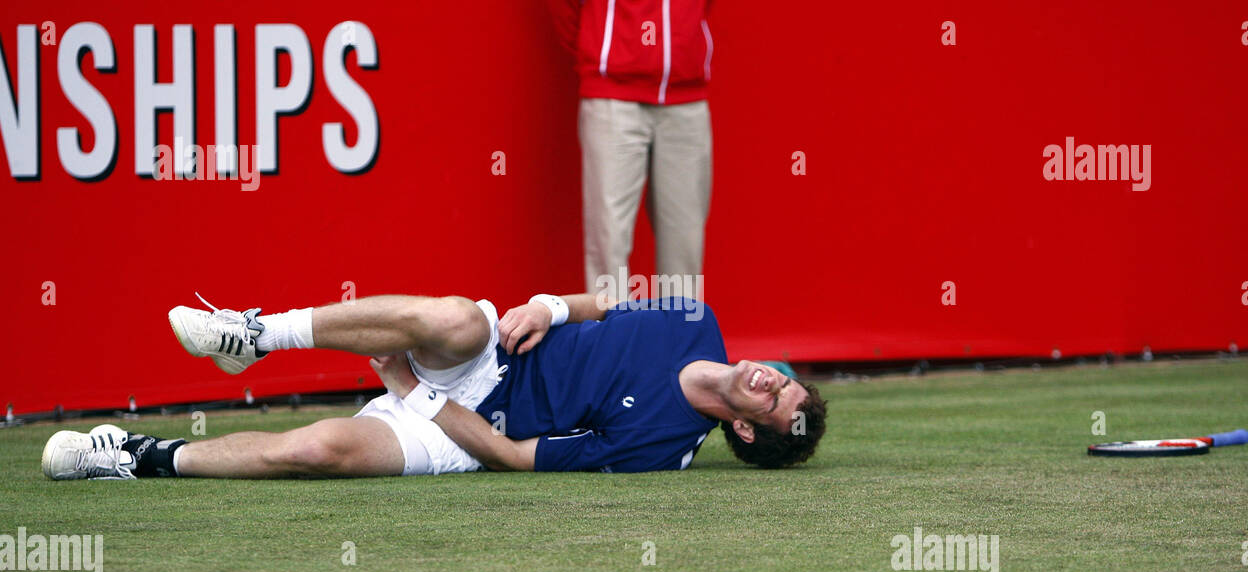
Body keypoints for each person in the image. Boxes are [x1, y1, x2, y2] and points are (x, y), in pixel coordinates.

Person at [42, 291, 826, 480]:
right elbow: (599, 303)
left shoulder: (663, 449)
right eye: (784, 379)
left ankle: (133, 455)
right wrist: (549, 306)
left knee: (323, 449)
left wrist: (414, 395)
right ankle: (253, 334)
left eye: (773, 398)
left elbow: (515, 456)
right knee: (453, 316)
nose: (769, 379)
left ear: (748, 430)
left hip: (463, 425)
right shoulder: (696, 316)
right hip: (489, 354)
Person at [548, 0, 716, 294]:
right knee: (608, 242)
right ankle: (614, 339)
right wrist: (603, 53)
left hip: (686, 97)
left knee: (685, 243)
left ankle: (678, 338)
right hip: (613, 96)